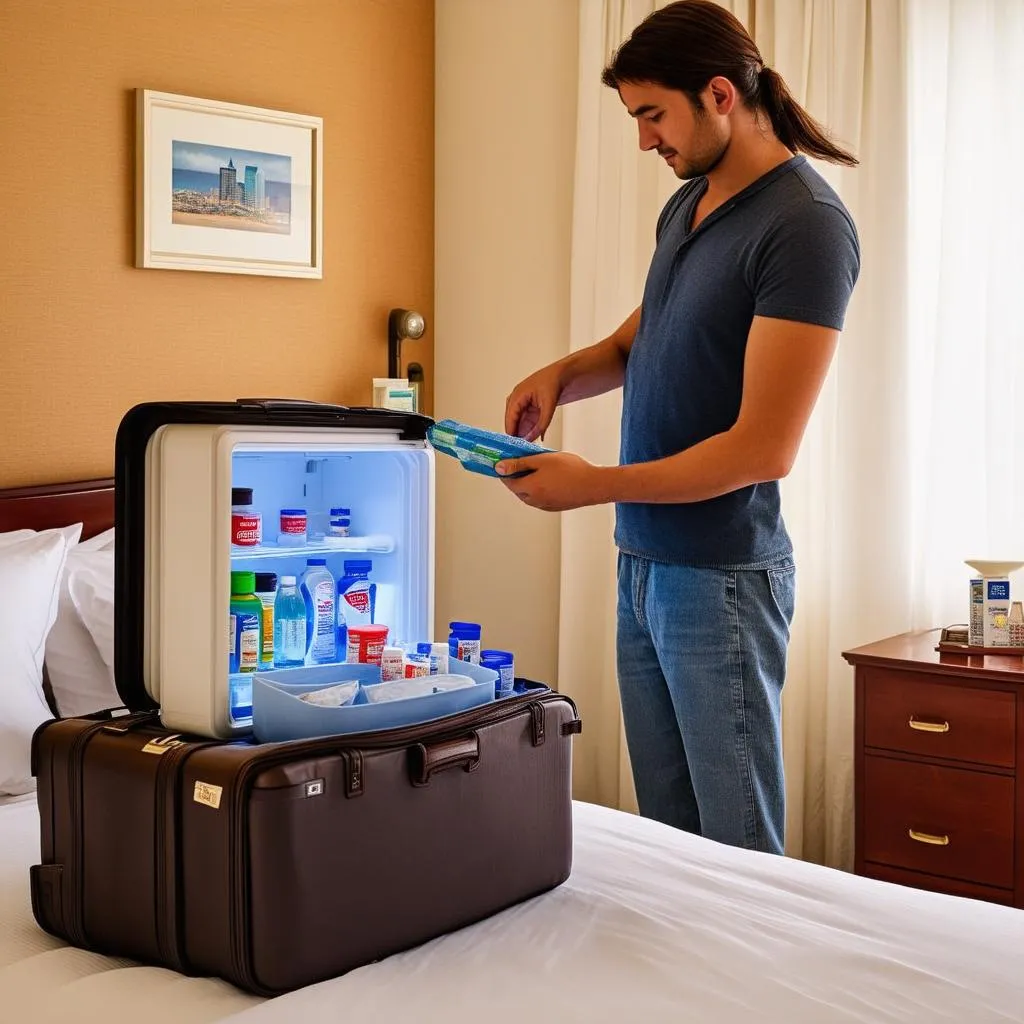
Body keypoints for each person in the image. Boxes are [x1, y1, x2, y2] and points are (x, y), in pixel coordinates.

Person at [497, 0, 861, 855]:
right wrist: (560, 375)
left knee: (736, 849)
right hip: (646, 564)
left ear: (721, 94)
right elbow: (641, 337)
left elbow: (761, 449)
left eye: (652, 115)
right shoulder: (691, 204)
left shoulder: (804, 225)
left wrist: (591, 487)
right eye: (634, 118)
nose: (643, 140)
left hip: (721, 576)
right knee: (674, 843)